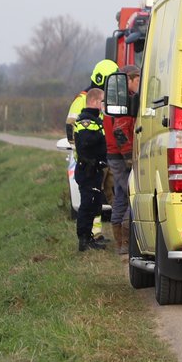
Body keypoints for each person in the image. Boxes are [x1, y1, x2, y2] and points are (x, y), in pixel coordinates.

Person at [72, 87, 109, 252]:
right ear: (94, 102)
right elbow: (86, 143)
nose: (104, 105)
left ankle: (89, 237)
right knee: (87, 205)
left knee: (94, 204)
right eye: (102, 101)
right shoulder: (86, 121)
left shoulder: (95, 120)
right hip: (87, 169)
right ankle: (84, 240)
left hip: (94, 169)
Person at [105, 65, 137, 255]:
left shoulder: (113, 99)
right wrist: (129, 157)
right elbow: (120, 131)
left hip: (113, 156)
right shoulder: (124, 101)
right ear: (130, 79)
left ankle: (120, 243)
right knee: (131, 196)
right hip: (121, 157)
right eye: (138, 79)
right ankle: (126, 241)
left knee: (119, 198)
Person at [66, 59, 119, 138]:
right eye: (112, 82)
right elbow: (71, 130)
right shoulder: (81, 100)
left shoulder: (113, 100)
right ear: (100, 80)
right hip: (87, 149)